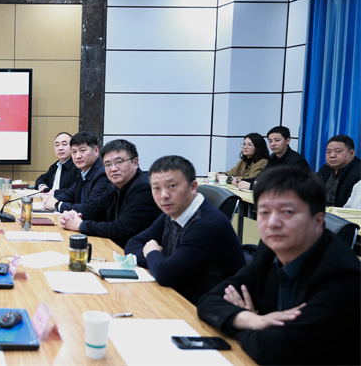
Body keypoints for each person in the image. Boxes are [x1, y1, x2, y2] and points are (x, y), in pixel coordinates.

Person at [197, 167, 360, 365]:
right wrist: (252, 320)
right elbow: (209, 300)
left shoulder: (343, 277)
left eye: (287, 212)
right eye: (264, 212)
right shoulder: (271, 249)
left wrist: (241, 322)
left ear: (318, 220)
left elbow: (273, 351)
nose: (272, 223)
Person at [124, 155, 245, 304]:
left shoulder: (206, 224)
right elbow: (133, 243)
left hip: (207, 306)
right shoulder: (172, 212)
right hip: (178, 295)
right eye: (156, 188)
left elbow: (165, 274)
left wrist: (152, 252)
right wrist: (161, 262)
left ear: (193, 187)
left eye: (172, 186)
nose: (164, 195)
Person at [58, 139, 158, 248]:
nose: (113, 169)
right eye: (108, 164)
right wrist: (72, 216)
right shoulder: (114, 187)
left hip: (138, 252)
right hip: (115, 248)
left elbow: (120, 229)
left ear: (135, 162)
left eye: (119, 162)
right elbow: (93, 209)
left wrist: (80, 225)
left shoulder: (144, 188)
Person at [42, 131, 109, 213]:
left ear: (96, 150)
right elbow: (70, 194)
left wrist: (57, 205)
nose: (77, 156)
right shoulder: (83, 173)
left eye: (82, 150)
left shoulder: (103, 174)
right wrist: (53, 199)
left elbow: (90, 208)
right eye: (74, 152)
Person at [236, 126, 310, 190]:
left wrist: (251, 186)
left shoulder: (296, 161)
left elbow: (285, 185)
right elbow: (262, 177)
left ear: (288, 141)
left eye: (277, 140)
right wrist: (242, 181)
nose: (273, 144)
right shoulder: (273, 157)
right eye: (270, 141)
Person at [315, 134, 360, 207]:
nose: (332, 155)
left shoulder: (358, 173)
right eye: (328, 152)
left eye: (338, 151)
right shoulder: (325, 169)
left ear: (352, 153)